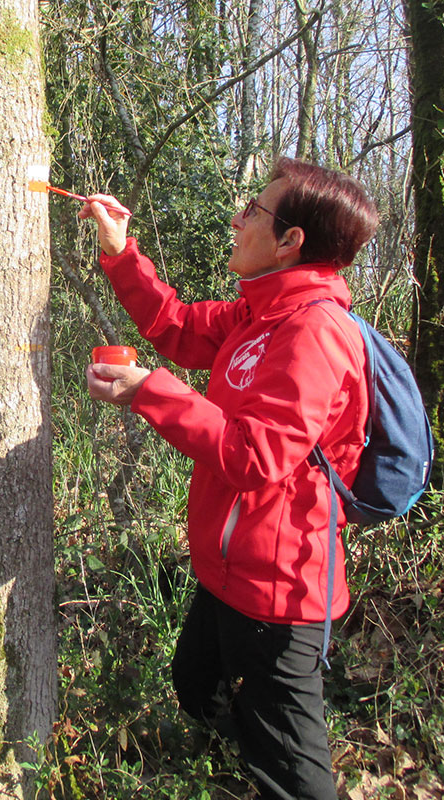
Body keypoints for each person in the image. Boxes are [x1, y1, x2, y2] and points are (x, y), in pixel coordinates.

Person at [80, 158, 379, 800]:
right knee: (196, 684)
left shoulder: (316, 333)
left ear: (290, 240)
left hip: (279, 593)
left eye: (257, 211)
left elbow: (255, 457)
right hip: (227, 573)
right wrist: (120, 252)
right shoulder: (257, 314)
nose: (239, 218)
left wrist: (149, 393)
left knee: (294, 775)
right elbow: (178, 328)